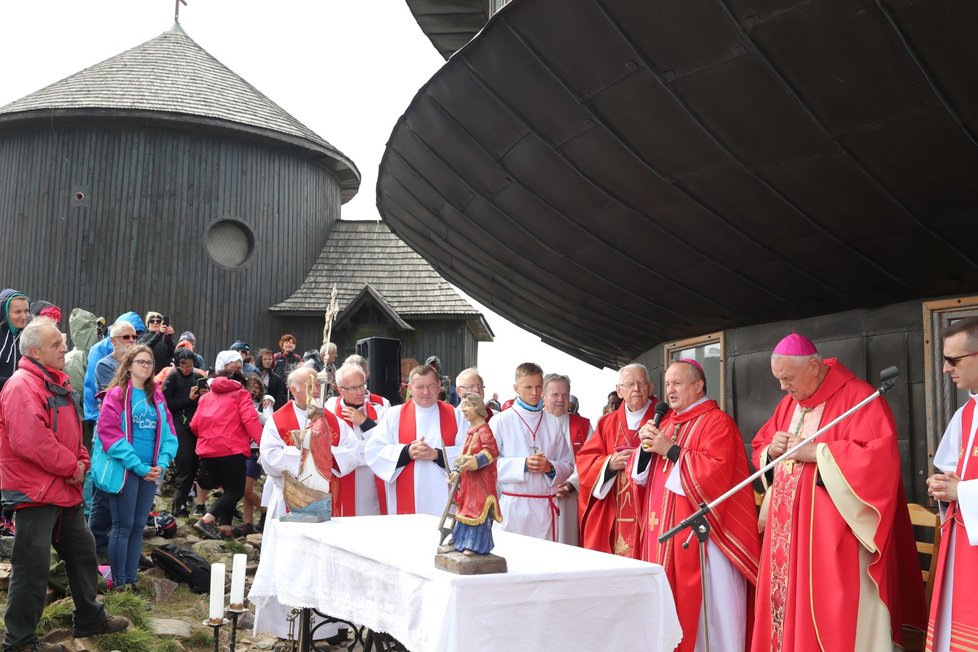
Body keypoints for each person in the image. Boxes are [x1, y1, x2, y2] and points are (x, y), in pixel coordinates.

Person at [751, 334, 925, 651]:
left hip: (836, 537)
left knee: (834, 614)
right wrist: (772, 451)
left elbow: (878, 462)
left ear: (814, 367)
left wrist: (819, 453)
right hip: (788, 538)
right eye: (778, 379)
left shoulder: (859, 398)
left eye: (787, 378)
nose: (782, 387)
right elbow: (762, 445)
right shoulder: (789, 403)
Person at [0, 317, 129, 651]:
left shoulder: (55, 382)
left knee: (84, 554)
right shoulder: (21, 386)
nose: (65, 348)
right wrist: (73, 465)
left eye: (62, 341)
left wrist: (82, 460)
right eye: (56, 344)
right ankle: (19, 641)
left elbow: (73, 433)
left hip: (62, 488)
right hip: (36, 493)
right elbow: (31, 441)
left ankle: (90, 617)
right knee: (32, 569)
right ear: (35, 351)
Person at [634, 359, 760, 652]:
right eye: (667, 384)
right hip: (664, 535)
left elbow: (717, 474)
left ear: (698, 385)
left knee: (711, 616)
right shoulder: (665, 422)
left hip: (706, 539)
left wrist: (672, 449)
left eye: (677, 383)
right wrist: (644, 450)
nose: (671, 390)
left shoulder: (717, 422)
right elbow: (642, 477)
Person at [254, 366, 358, 643]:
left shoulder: (333, 419)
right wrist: (308, 454)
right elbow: (270, 458)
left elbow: (353, 451)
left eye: (319, 386)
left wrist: (324, 455)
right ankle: (283, 626)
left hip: (326, 502)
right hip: (289, 500)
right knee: (289, 561)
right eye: (310, 386)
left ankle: (327, 626)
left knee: (325, 562)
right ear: (294, 389)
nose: (316, 391)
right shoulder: (278, 420)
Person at [94, 345, 178, 590]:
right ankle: (119, 582)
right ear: (128, 365)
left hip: (150, 472)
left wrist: (161, 464)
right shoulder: (117, 395)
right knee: (123, 526)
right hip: (126, 470)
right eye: (141, 362)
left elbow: (170, 435)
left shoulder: (157, 396)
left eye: (149, 362)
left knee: (138, 527)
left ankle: (132, 579)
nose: (146, 366)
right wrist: (138, 466)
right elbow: (109, 434)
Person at [925, 317, 978, 651]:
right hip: (964, 539)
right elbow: (949, 468)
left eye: (953, 360)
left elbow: (962, 485)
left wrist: (962, 491)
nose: (945, 369)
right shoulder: (965, 413)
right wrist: (943, 486)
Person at [489, 363, 574, 541]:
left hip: (544, 508)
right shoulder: (501, 421)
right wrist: (523, 465)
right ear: (516, 388)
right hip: (512, 508)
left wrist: (550, 467)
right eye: (528, 387)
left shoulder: (552, 423)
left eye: (538, 386)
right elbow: (487, 466)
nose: (535, 393)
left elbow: (568, 465)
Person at [578, 363, 656, 557]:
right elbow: (586, 461)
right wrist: (608, 464)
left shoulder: (666, 419)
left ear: (651, 387)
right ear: (619, 391)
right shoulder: (606, 423)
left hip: (650, 506)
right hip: (614, 505)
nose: (636, 389)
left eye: (641, 383)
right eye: (630, 384)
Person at [365, 364, 464, 515]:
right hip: (405, 497)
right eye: (420, 387)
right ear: (410, 388)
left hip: (445, 498)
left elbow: (468, 453)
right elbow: (373, 450)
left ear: (439, 387)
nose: (426, 392)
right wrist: (406, 452)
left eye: (431, 386)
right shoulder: (394, 415)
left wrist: (437, 454)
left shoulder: (457, 416)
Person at [189, 352, 262, 540]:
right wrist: (264, 443)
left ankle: (225, 529)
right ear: (240, 381)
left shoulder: (206, 397)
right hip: (232, 450)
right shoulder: (241, 394)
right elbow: (250, 420)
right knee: (235, 491)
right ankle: (206, 520)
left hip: (208, 451)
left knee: (226, 489)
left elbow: (194, 425)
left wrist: (208, 438)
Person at [328, 363, 384, 516]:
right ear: (340, 389)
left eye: (362, 386)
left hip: (372, 482)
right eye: (354, 388)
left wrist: (366, 423)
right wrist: (362, 452)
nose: (361, 392)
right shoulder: (330, 411)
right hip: (342, 478)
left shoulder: (380, 409)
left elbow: (383, 449)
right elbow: (332, 451)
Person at [543, 373, 592, 547]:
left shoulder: (582, 425)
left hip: (569, 498)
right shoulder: (533, 423)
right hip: (539, 498)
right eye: (555, 395)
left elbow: (590, 462)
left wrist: (572, 484)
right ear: (543, 395)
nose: (560, 399)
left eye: (564, 395)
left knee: (567, 545)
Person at [450, 393, 502, 555]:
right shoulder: (471, 431)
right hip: (469, 481)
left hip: (481, 482)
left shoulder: (484, 430)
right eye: (462, 405)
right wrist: (457, 472)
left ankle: (475, 545)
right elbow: (465, 454)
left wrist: (476, 461)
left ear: (477, 407)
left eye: (467, 405)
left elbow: (492, 451)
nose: (463, 409)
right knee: (465, 509)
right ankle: (461, 541)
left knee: (477, 511)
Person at [162, 348, 206, 516]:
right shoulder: (173, 377)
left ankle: (184, 502)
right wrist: (189, 400)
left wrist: (204, 395)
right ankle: (177, 505)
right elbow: (166, 403)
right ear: (177, 364)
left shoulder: (198, 377)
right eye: (183, 365)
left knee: (194, 465)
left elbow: (203, 402)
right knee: (185, 464)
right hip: (178, 424)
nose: (186, 368)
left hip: (195, 425)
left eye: (190, 365)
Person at [239, 373, 273, 534]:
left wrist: (252, 412)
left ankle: (266, 511)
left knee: (246, 488)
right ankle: (248, 523)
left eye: (257, 386)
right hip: (241, 448)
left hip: (256, 449)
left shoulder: (265, 404)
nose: (254, 390)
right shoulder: (241, 401)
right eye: (251, 386)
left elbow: (269, 422)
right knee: (246, 492)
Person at [94, 321, 138, 392]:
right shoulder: (104, 365)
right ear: (114, 340)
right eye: (126, 337)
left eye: (134, 337)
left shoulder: (141, 361)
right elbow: (119, 393)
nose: (132, 340)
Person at [0, 288, 29, 392]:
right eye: (18, 312)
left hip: (21, 402)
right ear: (5, 313)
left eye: (26, 311)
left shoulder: (30, 337)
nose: (24, 316)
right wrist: (15, 383)